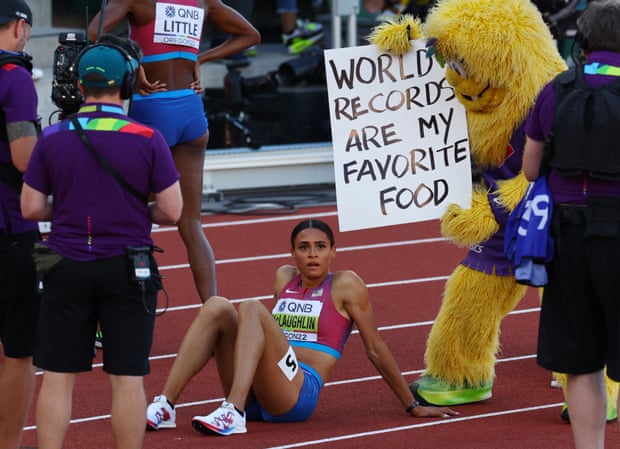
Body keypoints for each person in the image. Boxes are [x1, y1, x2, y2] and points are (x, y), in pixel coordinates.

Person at [145, 218, 458, 435]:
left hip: (297, 393)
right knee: (217, 305)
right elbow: (263, 338)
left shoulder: (346, 285)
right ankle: (166, 405)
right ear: (292, 253)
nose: (312, 254)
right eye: (304, 247)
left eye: (321, 246)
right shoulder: (284, 278)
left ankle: (233, 411)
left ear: (333, 252)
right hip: (260, 388)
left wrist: (412, 405)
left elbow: (375, 348)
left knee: (252, 308)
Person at [20, 39, 183, 449]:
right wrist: (128, 210)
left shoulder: (54, 137)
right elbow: (172, 211)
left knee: (57, 376)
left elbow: (31, 207)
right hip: (128, 267)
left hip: (65, 265)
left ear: (78, 84)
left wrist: (74, 206)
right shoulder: (148, 138)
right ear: (127, 83)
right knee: (127, 378)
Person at [87, 0, 261, 303]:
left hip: (153, 108)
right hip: (191, 110)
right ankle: (214, 312)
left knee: (127, 219)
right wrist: (202, 58)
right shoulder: (203, 1)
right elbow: (251, 35)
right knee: (192, 224)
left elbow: (94, 34)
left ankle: (109, 312)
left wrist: (134, 63)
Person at [522, 1, 620, 448]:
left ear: (582, 40)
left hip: (567, 236)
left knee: (581, 362)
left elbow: (529, 169)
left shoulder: (555, 89)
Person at [0, 1, 40, 449]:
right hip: (9, 226)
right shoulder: (14, 77)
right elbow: (25, 157)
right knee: (18, 352)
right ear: (20, 26)